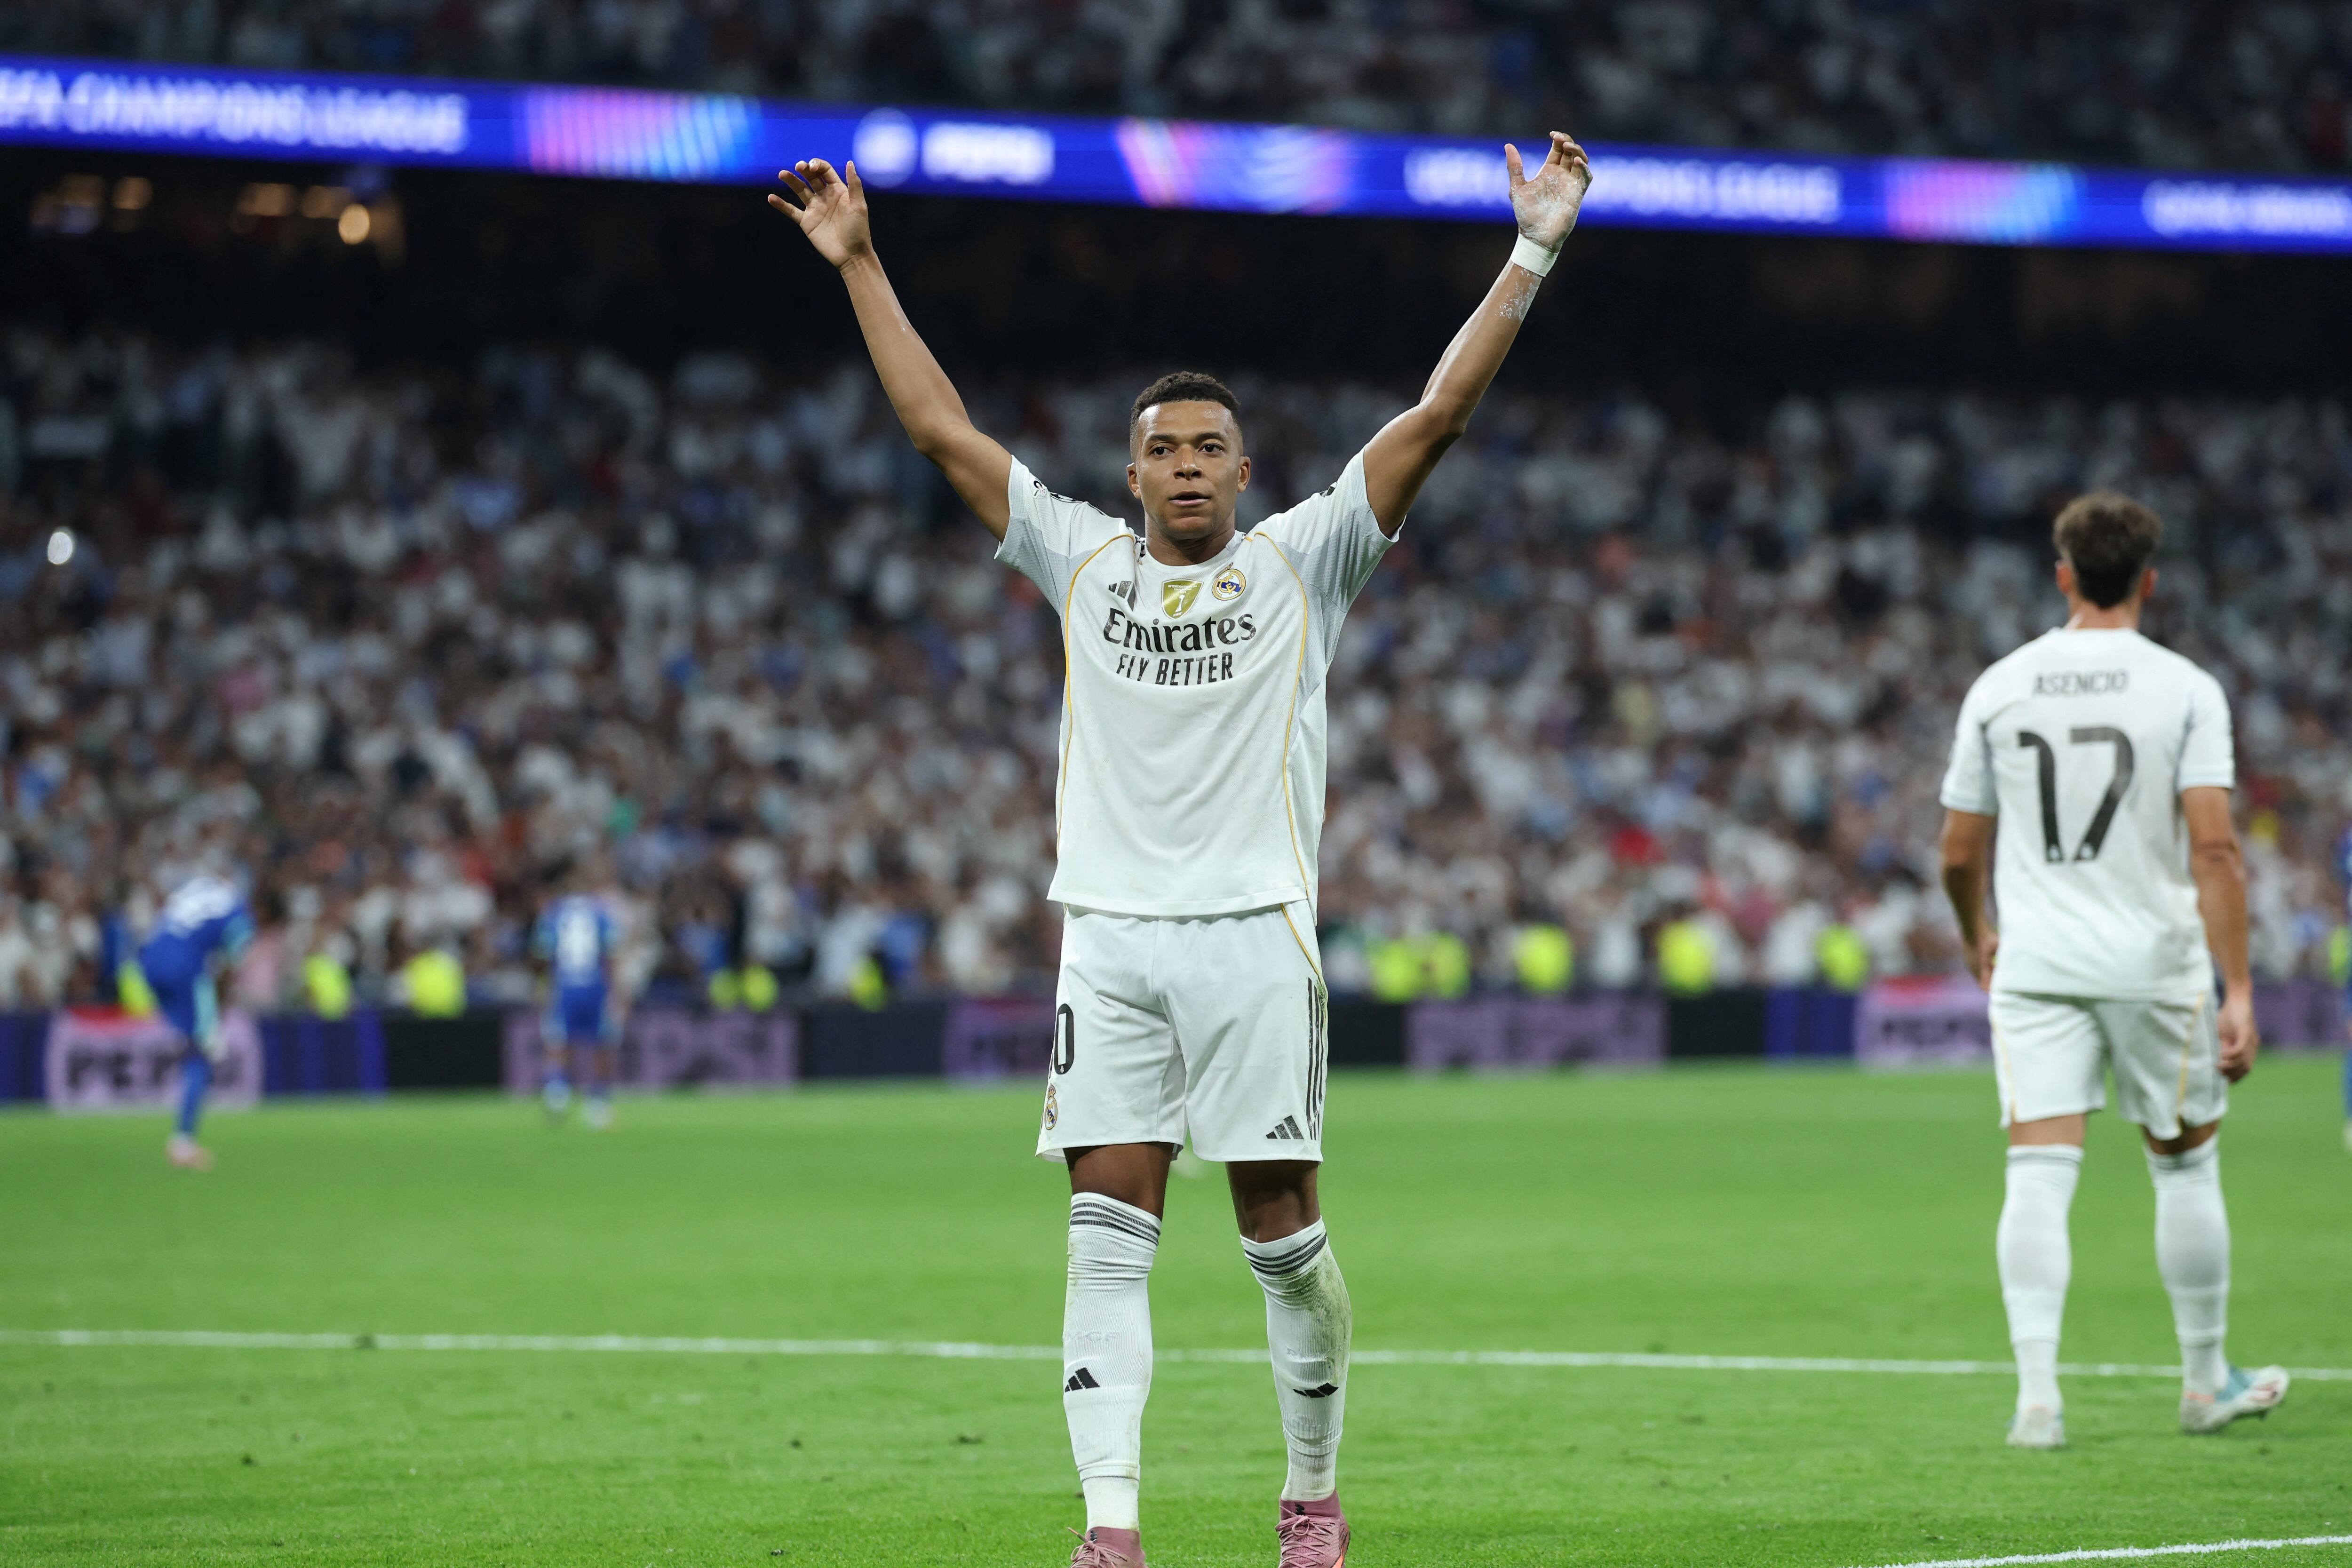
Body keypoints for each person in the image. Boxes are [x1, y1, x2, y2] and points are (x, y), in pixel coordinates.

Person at [770, 130, 1592, 1567]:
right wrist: (859, 263)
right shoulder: (1080, 560)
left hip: (1253, 936)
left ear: (1244, 469)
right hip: (1110, 941)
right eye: (1164, 448)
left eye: (1209, 446)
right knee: (1104, 1231)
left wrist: (1532, 249)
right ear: (1132, 474)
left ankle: (1311, 1493)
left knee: (1282, 1235)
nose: (1188, 464)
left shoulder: (1305, 559)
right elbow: (941, 432)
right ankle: (1112, 1526)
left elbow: (1439, 414)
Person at [1937, 492, 2288, 1450]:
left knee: (2037, 1171)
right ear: (2149, 580)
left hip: (2038, 960)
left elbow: (1958, 849)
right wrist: (2239, 988)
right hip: (2153, 961)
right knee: (2185, 1165)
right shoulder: (2184, 689)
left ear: (2062, 576)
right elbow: (2214, 849)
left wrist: (1975, 934)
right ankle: (2204, 1380)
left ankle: (2037, 1400)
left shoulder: (2001, 685)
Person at [140, 871, 256, 1171]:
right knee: (201, 1054)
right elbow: (232, 965)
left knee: (190, 1042)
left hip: (149, 960)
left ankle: (186, 1050)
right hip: (185, 968)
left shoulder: (196, 885)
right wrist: (219, 1009)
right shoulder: (238, 910)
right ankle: (183, 1143)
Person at [534, 864, 621, 1130]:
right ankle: (598, 1105)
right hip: (595, 987)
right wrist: (617, 992)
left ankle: (557, 1095)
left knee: (559, 1043)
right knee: (601, 1045)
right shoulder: (601, 913)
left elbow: (543, 955)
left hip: (565, 987)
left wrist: (544, 988)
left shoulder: (553, 914)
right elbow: (611, 955)